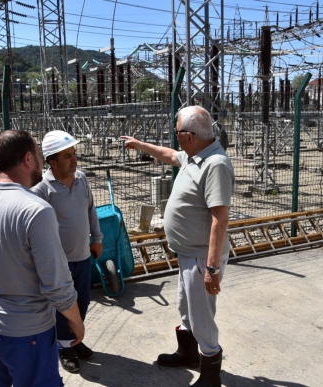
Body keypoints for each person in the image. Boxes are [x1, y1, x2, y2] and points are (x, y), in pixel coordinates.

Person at [0, 130, 84, 387]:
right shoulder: (36, 211)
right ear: (28, 159)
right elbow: (57, 284)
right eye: (38, 154)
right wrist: (76, 320)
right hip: (25, 330)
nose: (40, 160)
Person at [121, 105, 235, 387]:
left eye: (176, 133)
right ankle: (188, 354)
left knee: (202, 317)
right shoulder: (195, 155)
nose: (174, 139)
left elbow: (219, 219)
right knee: (187, 307)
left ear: (188, 136)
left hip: (201, 257)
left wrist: (211, 268)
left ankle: (210, 376)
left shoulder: (215, 164)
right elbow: (170, 155)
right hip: (187, 252)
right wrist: (140, 145)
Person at [32, 130, 103, 373]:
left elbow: (91, 210)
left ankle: (75, 340)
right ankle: (64, 347)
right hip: (59, 263)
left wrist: (98, 238)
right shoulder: (42, 189)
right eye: (67, 156)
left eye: (74, 154)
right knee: (64, 307)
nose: (74, 160)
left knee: (82, 302)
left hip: (83, 256)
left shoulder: (82, 179)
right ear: (52, 162)